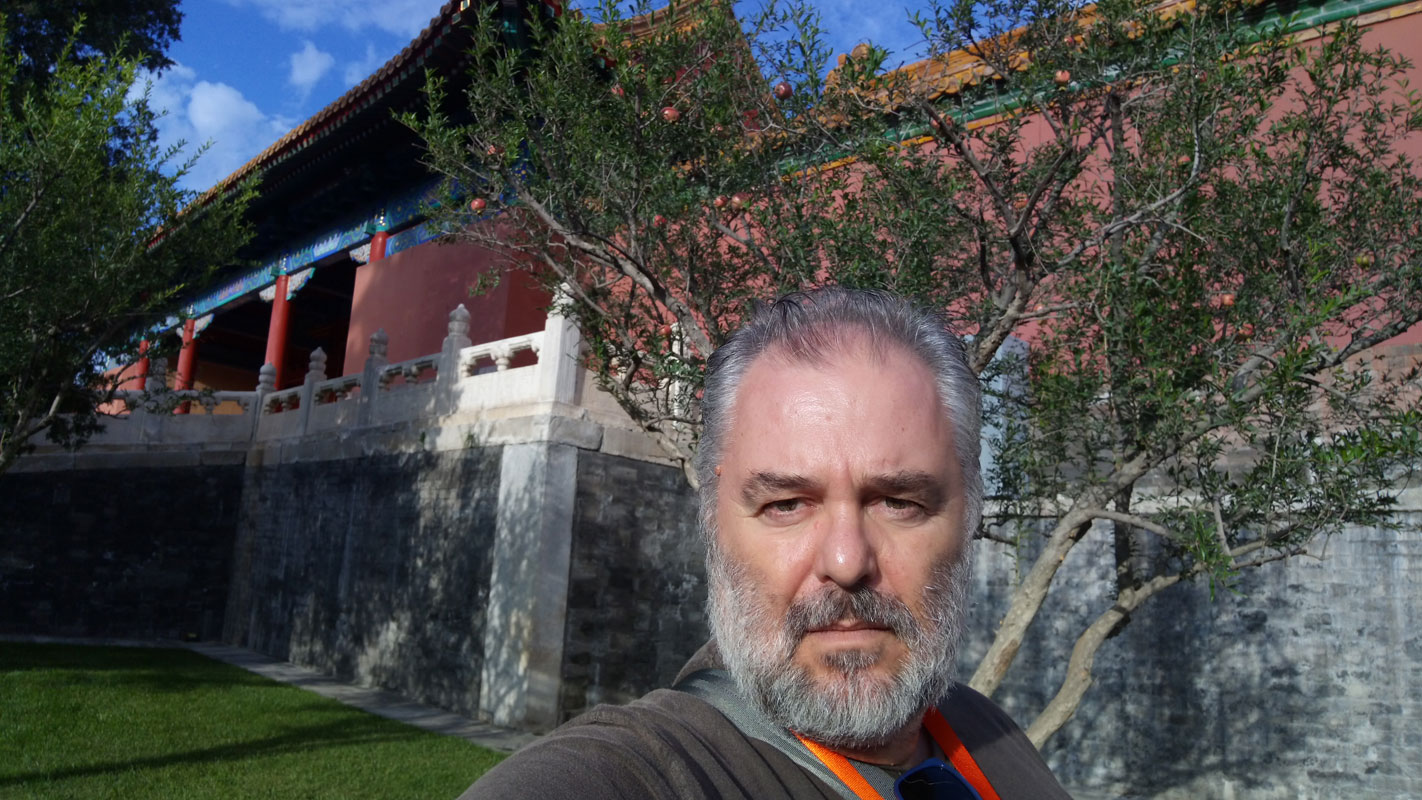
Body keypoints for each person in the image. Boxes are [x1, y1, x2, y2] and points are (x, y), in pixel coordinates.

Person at [460, 288, 1070, 799]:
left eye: (898, 502)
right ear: (713, 522)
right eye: (786, 505)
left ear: (968, 517)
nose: (846, 562)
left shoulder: (986, 731)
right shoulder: (647, 770)